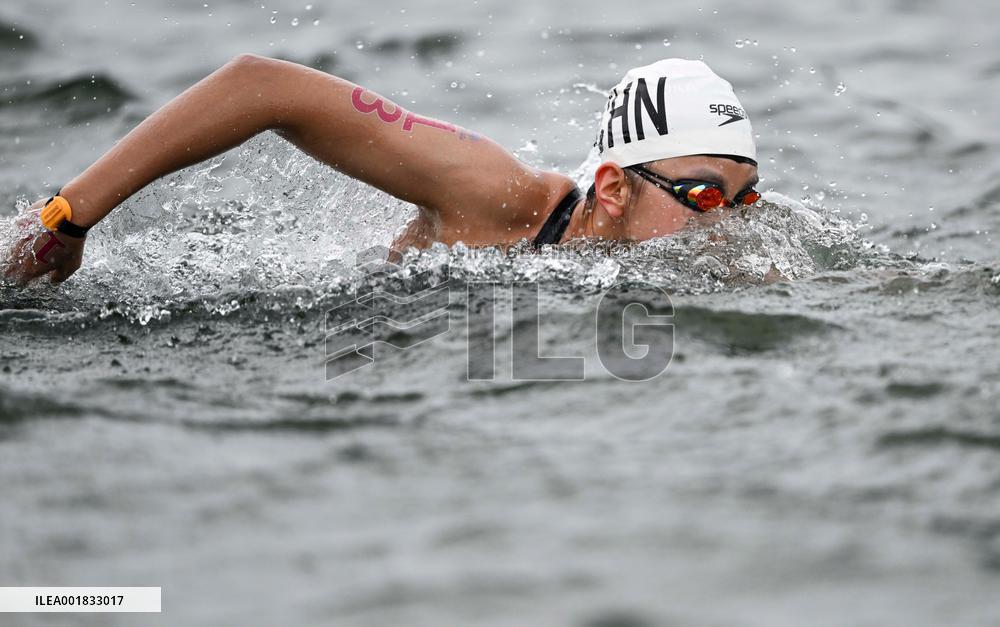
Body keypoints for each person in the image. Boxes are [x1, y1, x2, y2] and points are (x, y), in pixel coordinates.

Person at [2, 55, 759, 285]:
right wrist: (67, 219)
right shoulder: (498, 198)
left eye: (744, 200)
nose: (725, 227)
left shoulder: (725, 264)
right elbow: (262, 86)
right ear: (614, 187)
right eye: (701, 197)